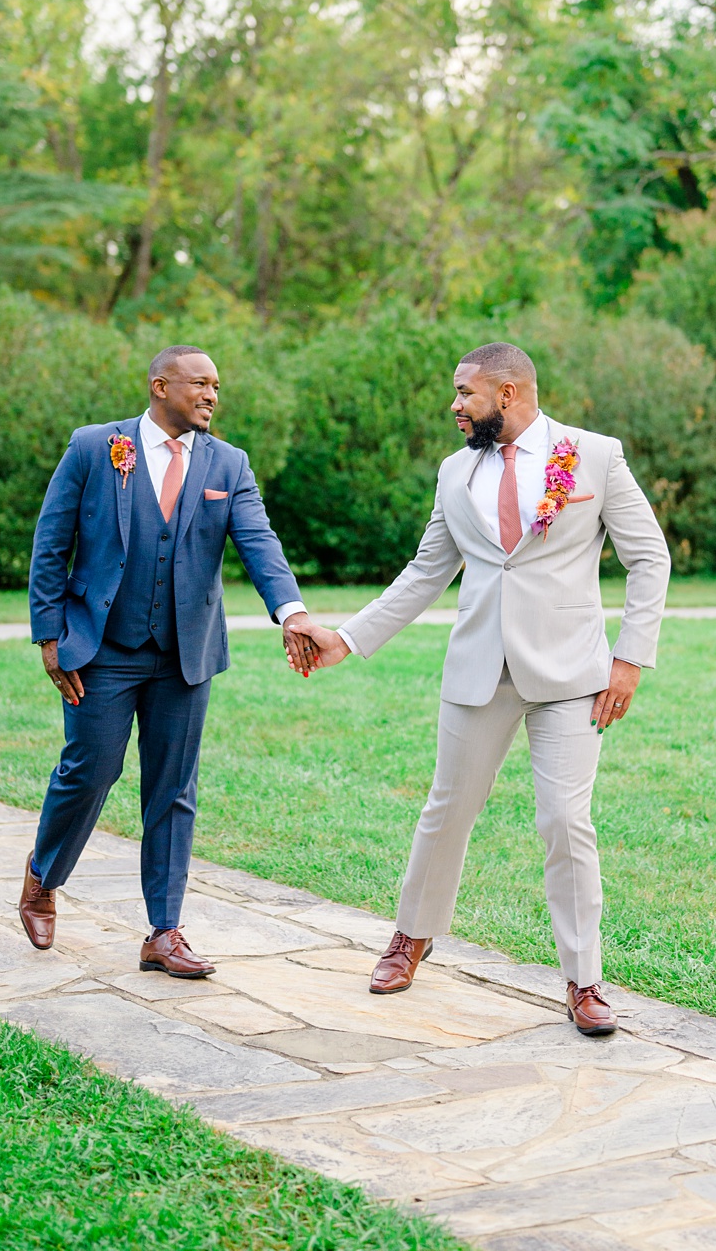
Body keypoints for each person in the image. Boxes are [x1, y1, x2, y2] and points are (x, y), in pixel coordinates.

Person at [289, 341, 671, 1038]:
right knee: (447, 810)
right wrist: (347, 637)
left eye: (465, 392)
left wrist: (630, 659)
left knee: (565, 822)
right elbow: (426, 571)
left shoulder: (595, 454)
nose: (455, 405)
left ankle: (585, 981)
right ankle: (411, 937)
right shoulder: (453, 472)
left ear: (509, 392)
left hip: (571, 677)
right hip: (478, 671)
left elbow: (650, 557)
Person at [22, 345, 334, 976]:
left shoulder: (229, 462)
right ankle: (41, 879)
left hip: (186, 656)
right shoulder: (94, 447)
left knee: (174, 790)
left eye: (217, 385)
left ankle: (163, 933)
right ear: (160, 386)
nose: (212, 395)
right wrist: (50, 638)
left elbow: (259, 542)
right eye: (200, 384)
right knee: (89, 771)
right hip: (101, 649)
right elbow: (52, 542)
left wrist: (292, 613)